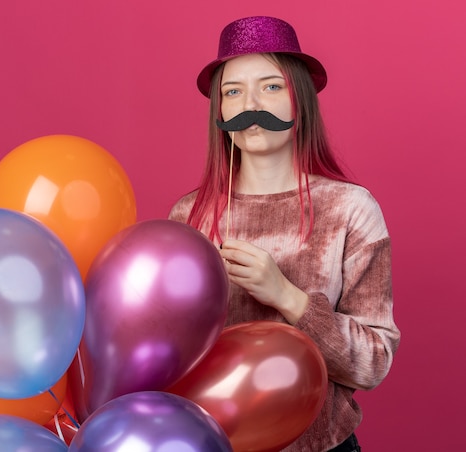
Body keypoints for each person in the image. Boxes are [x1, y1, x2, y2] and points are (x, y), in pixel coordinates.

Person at [168, 16, 400, 451]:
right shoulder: (189, 215)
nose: (249, 104)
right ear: (219, 110)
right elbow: (166, 354)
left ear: (301, 100)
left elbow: (374, 362)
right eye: (232, 91)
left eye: (271, 86)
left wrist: (285, 295)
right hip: (213, 442)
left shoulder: (351, 209)